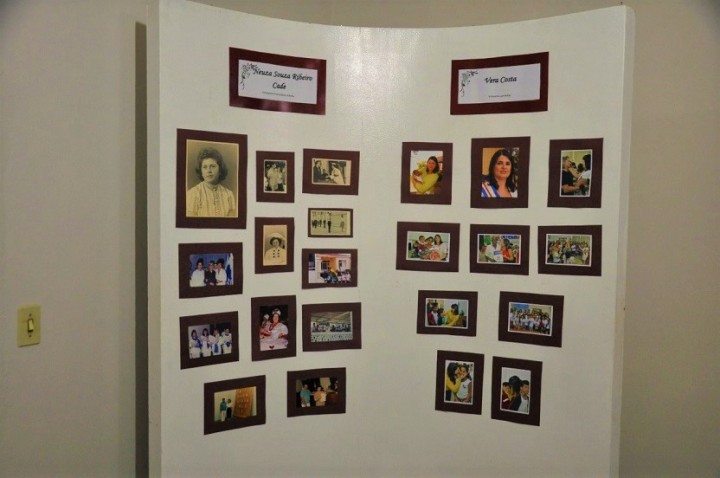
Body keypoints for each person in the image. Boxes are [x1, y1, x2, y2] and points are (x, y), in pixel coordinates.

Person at [186, 147, 236, 217]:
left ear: (220, 169)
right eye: (205, 167)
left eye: (212, 166)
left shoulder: (229, 195)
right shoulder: (193, 194)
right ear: (201, 171)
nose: (209, 170)